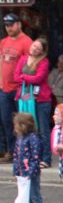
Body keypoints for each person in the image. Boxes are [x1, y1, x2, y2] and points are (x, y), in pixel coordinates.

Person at [14, 37, 52, 168]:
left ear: (42, 52)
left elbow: (38, 78)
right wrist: (26, 78)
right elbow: (15, 76)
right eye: (34, 45)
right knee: (27, 128)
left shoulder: (44, 62)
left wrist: (24, 77)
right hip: (25, 98)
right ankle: (32, 155)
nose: (34, 48)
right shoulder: (23, 59)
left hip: (41, 99)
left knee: (43, 129)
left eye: (38, 48)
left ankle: (46, 158)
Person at [0, 13, 33, 161]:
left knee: (23, 121)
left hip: (19, 88)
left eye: (11, 24)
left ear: (19, 24)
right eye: (6, 25)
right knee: (7, 121)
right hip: (4, 88)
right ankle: (11, 152)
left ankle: (25, 150)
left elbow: (31, 64)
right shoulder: (4, 42)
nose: (9, 28)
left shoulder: (26, 42)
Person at [14, 112, 45, 203]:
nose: (15, 127)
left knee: (34, 195)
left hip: (32, 173)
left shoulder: (33, 138)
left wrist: (31, 172)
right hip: (23, 172)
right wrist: (16, 170)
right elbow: (16, 154)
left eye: (16, 125)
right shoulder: (20, 138)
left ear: (23, 125)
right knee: (28, 195)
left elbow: (35, 157)